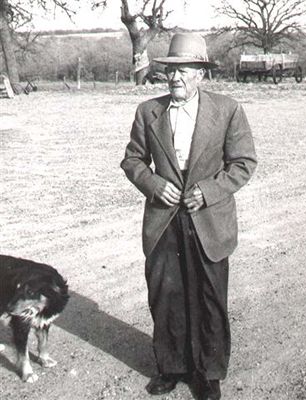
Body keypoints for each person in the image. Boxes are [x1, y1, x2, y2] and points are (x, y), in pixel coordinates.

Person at [121, 33, 257, 400]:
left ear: (201, 73)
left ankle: (209, 373)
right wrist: (152, 184)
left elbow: (243, 163)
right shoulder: (148, 112)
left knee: (210, 296)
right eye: (171, 70)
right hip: (164, 220)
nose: (175, 77)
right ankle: (171, 367)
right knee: (166, 294)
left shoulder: (228, 109)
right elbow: (132, 160)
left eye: (184, 70)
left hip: (209, 219)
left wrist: (209, 191)